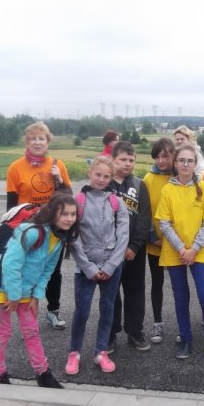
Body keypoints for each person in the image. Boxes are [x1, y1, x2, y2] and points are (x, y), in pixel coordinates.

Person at [0, 193, 79, 388]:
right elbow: (11, 264)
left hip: (25, 290)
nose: (69, 219)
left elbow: (47, 271)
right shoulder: (31, 232)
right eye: (64, 214)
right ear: (52, 213)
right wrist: (13, 296)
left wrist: (37, 296)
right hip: (3, 287)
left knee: (31, 332)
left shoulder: (59, 237)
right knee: (2, 332)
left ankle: (43, 374)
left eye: (73, 214)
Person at [155, 144, 204, 365]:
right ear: (175, 163)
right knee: (181, 298)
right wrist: (182, 249)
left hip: (199, 251)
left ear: (195, 163)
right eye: (181, 160)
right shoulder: (168, 190)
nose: (185, 164)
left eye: (190, 160)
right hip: (175, 251)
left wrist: (193, 249)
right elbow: (165, 224)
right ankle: (185, 339)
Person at [66, 156, 130, 374]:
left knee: (107, 309)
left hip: (112, 266)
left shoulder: (117, 202)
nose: (101, 179)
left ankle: (101, 351)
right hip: (85, 268)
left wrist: (111, 266)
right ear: (90, 173)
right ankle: (74, 352)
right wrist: (89, 268)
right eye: (98, 174)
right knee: (82, 311)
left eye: (106, 176)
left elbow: (123, 236)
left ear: (111, 178)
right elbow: (73, 237)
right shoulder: (78, 200)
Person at [6, 121, 72, 331]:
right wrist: (11, 231)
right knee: (26, 269)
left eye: (41, 138)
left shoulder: (57, 165)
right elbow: (11, 205)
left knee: (53, 271)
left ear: (47, 142)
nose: (37, 142)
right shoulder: (15, 168)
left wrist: (59, 179)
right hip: (27, 228)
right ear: (27, 142)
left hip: (53, 227)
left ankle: (53, 310)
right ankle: (25, 312)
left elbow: (68, 199)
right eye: (33, 138)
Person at [108, 141, 152, 353]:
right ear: (113, 159)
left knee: (135, 292)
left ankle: (135, 332)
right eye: (123, 159)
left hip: (134, 252)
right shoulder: (104, 183)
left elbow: (144, 218)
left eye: (131, 160)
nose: (127, 163)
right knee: (111, 294)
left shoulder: (139, 185)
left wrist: (134, 246)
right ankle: (110, 333)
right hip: (109, 252)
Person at [143, 137, 176, 344]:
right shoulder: (148, 179)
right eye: (157, 156)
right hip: (155, 243)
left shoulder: (180, 177)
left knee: (180, 285)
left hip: (178, 244)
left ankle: (183, 325)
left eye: (165, 156)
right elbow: (144, 212)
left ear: (174, 155)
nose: (161, 160)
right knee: (157, 283)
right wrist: (153, 237)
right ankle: (158, 322)